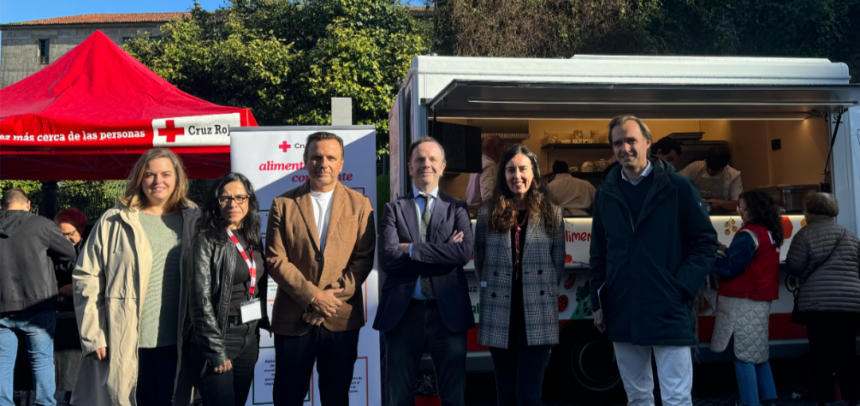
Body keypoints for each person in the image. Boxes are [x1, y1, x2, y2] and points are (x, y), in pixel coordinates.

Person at [590, 115, 718, 406]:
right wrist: (598, 303)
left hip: (668, 306)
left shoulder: (678, 186)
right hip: (622, 306)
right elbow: (599, 253)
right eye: (617, 143)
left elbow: (706, 243)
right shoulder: (605, 194)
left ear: (648, 142)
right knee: (636, 397)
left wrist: (682, 287)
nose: (625, 148)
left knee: (676, 398)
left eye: (631, 140)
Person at [72, 148, 201, 406]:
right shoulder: (114, 220)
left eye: (166, 174)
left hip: (178, 342)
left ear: (178, 178)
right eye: (149, 175)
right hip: (125, 340)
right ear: (139, 179)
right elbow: (86, 277)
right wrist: (94, 334)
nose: (158, 181)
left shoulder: (194, 220)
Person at [266, 132, 376, 406]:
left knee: (336, 398)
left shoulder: (360, 205)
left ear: (341, 163)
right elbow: (275, 259)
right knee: (287, 398)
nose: (322, 163)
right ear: (305, 161)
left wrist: (330, 299)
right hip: (293, 319)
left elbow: (363, 258)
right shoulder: (283, 204)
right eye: (316, 156)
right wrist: (314, 297)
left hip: (340, 319)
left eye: (330, 157)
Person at [375, 136, 475, 406]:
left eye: (432, 159)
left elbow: (463, 253)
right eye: (419, 159)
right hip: (403, 314)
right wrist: (441, 251)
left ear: (443, 167)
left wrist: (412, 249)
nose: (425, 164)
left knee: (454, 397)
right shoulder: (393, 209)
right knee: (398, 397)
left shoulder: (457, 209)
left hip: (448, 314)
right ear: (409, 166)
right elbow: (387, 258)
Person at [474, 144, 565, 406]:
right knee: (505, 394)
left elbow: (556, 263)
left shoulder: (552, 212)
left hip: (537, 311)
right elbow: (480, 260)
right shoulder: (487, 213)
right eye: (510, 170)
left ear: (534, 172)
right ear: (503, 175)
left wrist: (536, 287)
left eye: (523, 169)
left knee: (529, 394)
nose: (517, 176)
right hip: (499, 310)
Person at [184, 172, 268, 406]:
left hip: (249, 336)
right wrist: (215, 350)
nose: (233, 204)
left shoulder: (251, 238)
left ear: (249, 200)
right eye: (225, 199)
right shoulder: (206, 241)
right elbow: (200, 301)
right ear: (215, 203)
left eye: (240, 197)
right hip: (220, 337)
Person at [0, 188, 76, 406]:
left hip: (2, 305)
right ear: (28, 204)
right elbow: (69, 254)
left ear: (2, 206)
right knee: (41, 361)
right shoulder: (41, 224)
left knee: (2, 363)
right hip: (38, 304)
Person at [786, 192, 860, 406]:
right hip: (850, 304)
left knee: (821, 355)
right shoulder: (849, 235)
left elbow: (795, 266)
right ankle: (852, 398)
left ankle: (825, 400)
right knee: (847, 352)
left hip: (818, 305)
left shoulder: (804, 235)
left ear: (810, 211)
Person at [710, 190, 782, 406]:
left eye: (743, 207)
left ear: (754, 210)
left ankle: (750, 402)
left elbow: (731, 267)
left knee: (742, 355)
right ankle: (769, 397)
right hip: (761, 296)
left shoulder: (747, 233)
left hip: (742, 297)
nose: (738, 210)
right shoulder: (770, 231)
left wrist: (710, 259)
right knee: (757, 352)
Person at [52, 208, 88, 403]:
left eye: (69, 234)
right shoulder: (51, 246)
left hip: (82, 312)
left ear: (81, 229)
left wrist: (74, 287)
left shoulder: (91, 246)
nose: (65, 239)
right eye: (60, 234)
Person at [679, 145, 742, 212]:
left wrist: (718, 203)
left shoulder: (733, 175)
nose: (710, 172)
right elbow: (677, 183)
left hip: (720, 215)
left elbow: (737, 204)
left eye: (714, 170)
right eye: (708, 168)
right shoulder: (695, 167)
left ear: (725, 166)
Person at [466, 135, 505, 206]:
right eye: (503, 148)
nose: (504, 151)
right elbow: (488, 197)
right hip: (481, 213)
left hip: (473, 211)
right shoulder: (488, 165)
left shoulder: (478, 162)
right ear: (497, 149)